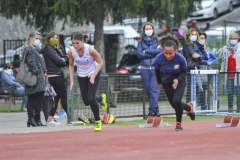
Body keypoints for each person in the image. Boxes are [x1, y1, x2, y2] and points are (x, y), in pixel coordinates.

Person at [153, 34, 195, 131]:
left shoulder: (180, 58)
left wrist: (177, 80)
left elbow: (184, 72)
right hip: (167, 82)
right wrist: (159, 81)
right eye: (165, 53)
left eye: (170, 53)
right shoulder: (159, 58)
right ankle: (189, 108)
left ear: (175, 50)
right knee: (174, 105)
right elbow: (156, 70)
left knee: (176, 101)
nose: (168, 55)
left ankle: (178, 124)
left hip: (179, 81)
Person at [68, 31, 108, 132]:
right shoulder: (71, 51)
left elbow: (100, 62)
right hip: (81, 75)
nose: (75, 45)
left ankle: (97, 121)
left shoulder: (90, 49)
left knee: (90, 98)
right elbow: (71, 65)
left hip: (93, 73)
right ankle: (101, 98)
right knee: (86, 102)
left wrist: (94, 75)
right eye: (73, 43)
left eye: (77, 43)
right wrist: (72, 81)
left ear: (82, 41)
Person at [42, 32, 69, 125]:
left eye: (56, 37)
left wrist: (64, 59)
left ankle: (50, 118)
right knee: (64, 97)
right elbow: (59, 61)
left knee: (57, 98)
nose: (55, 38)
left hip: (56, 75)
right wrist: (66, 60)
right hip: (55, 76)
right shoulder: (49, 49)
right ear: (48, 38)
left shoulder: (54, 48)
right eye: (53, 37)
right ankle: (71, 117)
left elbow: (62, 58)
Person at [137, 22, 162, 117]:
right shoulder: (140, 41)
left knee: (154, 90)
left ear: (153, 29)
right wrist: (153, 53)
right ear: (144, 30)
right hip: (144, 69)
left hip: (156, 69)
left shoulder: (158, 40)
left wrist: (146, 51)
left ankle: (151, 111)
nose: (148, 30)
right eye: (146, 29)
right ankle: (156, 111)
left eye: (150, 28)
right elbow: (139, 55)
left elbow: (160, 52)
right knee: (149, 91)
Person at [24, 32, 46, 127]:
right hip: (33, 78)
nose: (38, 40)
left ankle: (37, 119)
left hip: (38, 77)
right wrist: (37, 72)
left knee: (38, 99)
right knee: (33, 99)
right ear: (31, 38)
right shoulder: (29, 49)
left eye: (39, 39)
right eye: (37, 38)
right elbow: (31, 62)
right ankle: (32, 119)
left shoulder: (35, 49)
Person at [182, 28, 208, 103]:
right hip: (189, 68)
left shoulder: (194, 45)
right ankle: (189, 107)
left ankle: (195, 105)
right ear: (188, 36)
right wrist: (197, 56)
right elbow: (195, 55)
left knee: (198, 88)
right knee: (190, 88)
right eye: (192, 34)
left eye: (195, 35)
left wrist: (198, 55)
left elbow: (203, 56)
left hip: (195, 68)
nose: (194, 36)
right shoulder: (188, 44)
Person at [220, 32, 240, 113]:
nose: (233, 39)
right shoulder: (225, 48)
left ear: (238, 38)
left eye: (235, 38)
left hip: (238, 74)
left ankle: (239, 108)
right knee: (230, 92)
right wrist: (222, 71)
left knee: (238, 93)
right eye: (231, 38)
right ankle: (230, 108)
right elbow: (223, 61)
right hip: (228, 74)